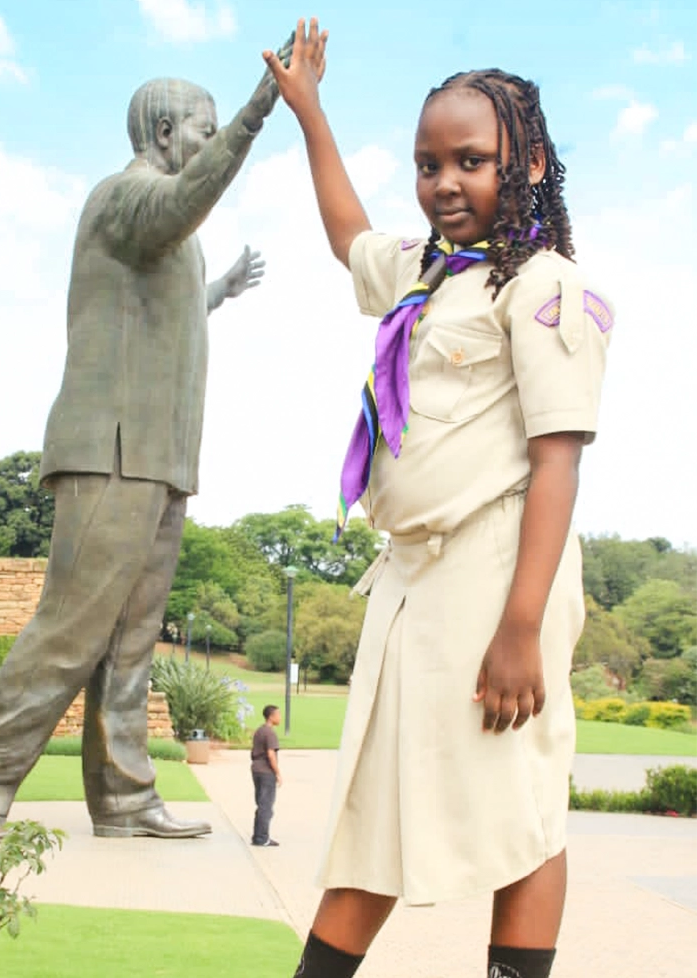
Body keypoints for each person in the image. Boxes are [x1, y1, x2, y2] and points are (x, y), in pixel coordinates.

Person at [265, 20, 612, 978]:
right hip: (412, 579)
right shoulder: (430, 272)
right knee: (376, 806)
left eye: (472, 159)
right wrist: (312, 114)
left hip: (500, 572)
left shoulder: (547, 289)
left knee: (518, 806)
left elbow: (557, 461)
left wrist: (522, 629)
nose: (445, 182)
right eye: (428, 164)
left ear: (529, 160)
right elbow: (349, 237)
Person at [0, 36, 296, 843]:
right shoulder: (124, 196)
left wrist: (218, 292)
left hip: (160, 461)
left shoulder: (162, 231)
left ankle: (126, 800)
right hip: (111, 453)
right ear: (166, 132)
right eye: (202, 129)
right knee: (73, 627)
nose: (207, 142)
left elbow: (152, 315)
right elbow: (179, 205)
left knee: (132, 642)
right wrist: (258, 109)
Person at [251, 704, 282, 847]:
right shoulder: (270, 733)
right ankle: (262, 837)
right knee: (266, 806)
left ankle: (258, 835)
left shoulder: (259, 731)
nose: (280, 717)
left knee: (261, 803)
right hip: (265, 771)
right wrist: (277, 772)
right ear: (271, 716)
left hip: (256, 769)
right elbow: (271, 754)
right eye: (278, 715)